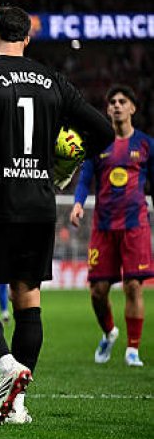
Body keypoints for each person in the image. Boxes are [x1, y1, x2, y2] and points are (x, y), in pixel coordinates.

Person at [0, 5, 114, 425]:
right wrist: (71, 161)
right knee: (27, 300)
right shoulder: (54, 81)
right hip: (39, 206)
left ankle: (7, 365)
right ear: (27, 38)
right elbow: (103, 132)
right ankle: (17, 406)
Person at [69, 85, 153, 367]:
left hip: (135, 225)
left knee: (133, 286)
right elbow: (84, 180)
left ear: (133, 108)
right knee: (97, 291)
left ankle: (133, 349)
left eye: (122, 101)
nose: (117, 105)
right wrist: (78, 203)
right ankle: (109, 332)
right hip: (103, 226)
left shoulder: (146, 145)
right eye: (113, 102)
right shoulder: (97, 144)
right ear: (107, 110)